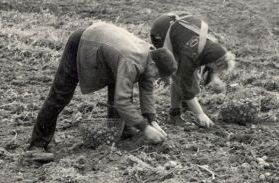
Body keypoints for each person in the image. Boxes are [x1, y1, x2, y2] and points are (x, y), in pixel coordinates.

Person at [24, 22, 177, 163]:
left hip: (106, 47)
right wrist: (144, 127)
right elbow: (122, 102)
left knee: (123, 83)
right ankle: (37, 144)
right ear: (153, 64)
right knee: (60, 94)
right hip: (84, 42)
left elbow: (147, 87)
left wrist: (152, 121)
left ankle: (120, 129)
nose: (157, 79)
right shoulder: (132, 61)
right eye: (158, 75)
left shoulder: (151, 57)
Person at [150, 12, 235, 128]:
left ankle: (186, 104)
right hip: (161, 31)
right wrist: (200, 114)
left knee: (192, 75)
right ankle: (174, 114)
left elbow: (205, 68)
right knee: (177, 73)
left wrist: (214, 78)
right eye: (216, 70)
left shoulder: (215, 46)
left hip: (178, 23)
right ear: (214, 62)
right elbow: (184, 82)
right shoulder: (190, 54)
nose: (215, 72)